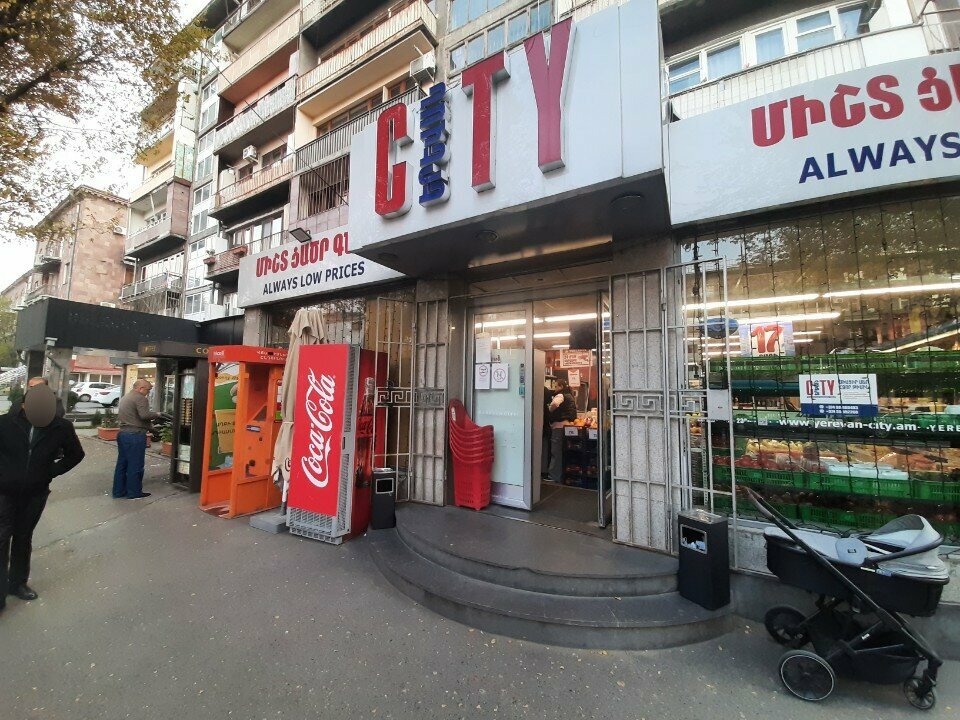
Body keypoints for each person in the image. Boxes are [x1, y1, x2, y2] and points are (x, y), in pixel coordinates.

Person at [0, 383, 84, 611]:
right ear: (24, 405)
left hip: (35, 493)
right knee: (1, 538)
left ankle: (17, 584)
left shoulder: (61, 427)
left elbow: (76, 454)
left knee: (23, 537)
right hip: (4, 492)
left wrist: (51, 472)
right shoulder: (5, 423)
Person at [113, 379, 160, 500]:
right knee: (135, 465)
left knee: (122, 464)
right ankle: (134, 492)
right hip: (135, 435)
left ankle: (118, 491)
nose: (148, 393)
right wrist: (158, 414)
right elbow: (144, 415)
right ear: (140, 388)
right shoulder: (140, 398)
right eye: (148, 390)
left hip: (123, 434)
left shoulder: (126, 397)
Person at [547, 379, 578, 484]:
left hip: (559, 426)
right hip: (567, 426)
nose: (555, 388)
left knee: (556, 452)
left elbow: (555, 404)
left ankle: (554, 476)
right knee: (561, 452)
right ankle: (561, 475)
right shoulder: (570, 396)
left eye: (556, 386)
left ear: (560, 386)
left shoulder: (560, 395)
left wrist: (549, 409)